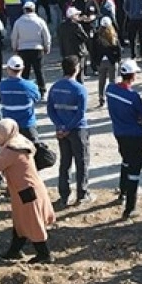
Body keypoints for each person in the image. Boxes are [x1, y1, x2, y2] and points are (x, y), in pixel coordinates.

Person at [0, 119, 55, 263]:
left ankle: (45, 254)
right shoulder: (18, 141)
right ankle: (14, 251)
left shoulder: (11, 150)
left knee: (32, 222)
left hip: (26, 191)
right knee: (21, 221)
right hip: (28, 189)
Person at [47, 57, 91, 208]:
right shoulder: (80, 89)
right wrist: (68, 128)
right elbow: (80, 113)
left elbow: (50, 110)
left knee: (65, 162)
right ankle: (82, 194)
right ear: (77, 68)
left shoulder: (55, 87)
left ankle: (64, 195)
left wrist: (60, 126)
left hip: (61, 130)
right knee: (82, 161)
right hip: (77, 130)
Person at [107, 60, 142, 219]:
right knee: (135, 169)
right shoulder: (133, 96)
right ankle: (130, 207)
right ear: (132, 76)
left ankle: (122, 191)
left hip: (119, 132)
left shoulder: (110, 89)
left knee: (125, 160)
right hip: (134, 135)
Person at [10, 2, 52, 94]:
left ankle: (24, 90)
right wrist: (47, 46)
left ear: (24, 10)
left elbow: (14, 36)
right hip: (37, 49)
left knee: (24, 71)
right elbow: (46, 35)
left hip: (23, 49)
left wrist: (14, 47)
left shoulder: (18, 22)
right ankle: (42, 91)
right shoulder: (40, 21)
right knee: (39, 71)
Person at [0, 56, 41, 142]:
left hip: (9, 125)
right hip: (27, 124)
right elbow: (37, 98)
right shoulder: (30, 85)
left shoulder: (2, 85)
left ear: (8, 69)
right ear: (23, 68)